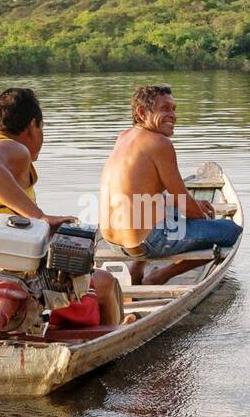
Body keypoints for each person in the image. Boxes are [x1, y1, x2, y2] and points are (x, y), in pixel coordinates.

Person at [0, 88, 124, 326]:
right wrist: (41, 217)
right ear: (32, 126)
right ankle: (113, 337)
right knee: (106, 283)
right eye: (42, 128)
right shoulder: (13, 150)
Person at [99, 85, 242, 286]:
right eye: (165, 109)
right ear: (142, 112)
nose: (173, 115)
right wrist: (205, 224)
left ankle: (136, 269)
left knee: (169, 210)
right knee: (230, 230)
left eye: (174, 109)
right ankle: (161, 275)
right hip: (147, 242)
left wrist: (189, 205)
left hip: (112, 240)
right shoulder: (160, 143)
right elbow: (187, 208)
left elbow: (143, 194)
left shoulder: (124, 137)